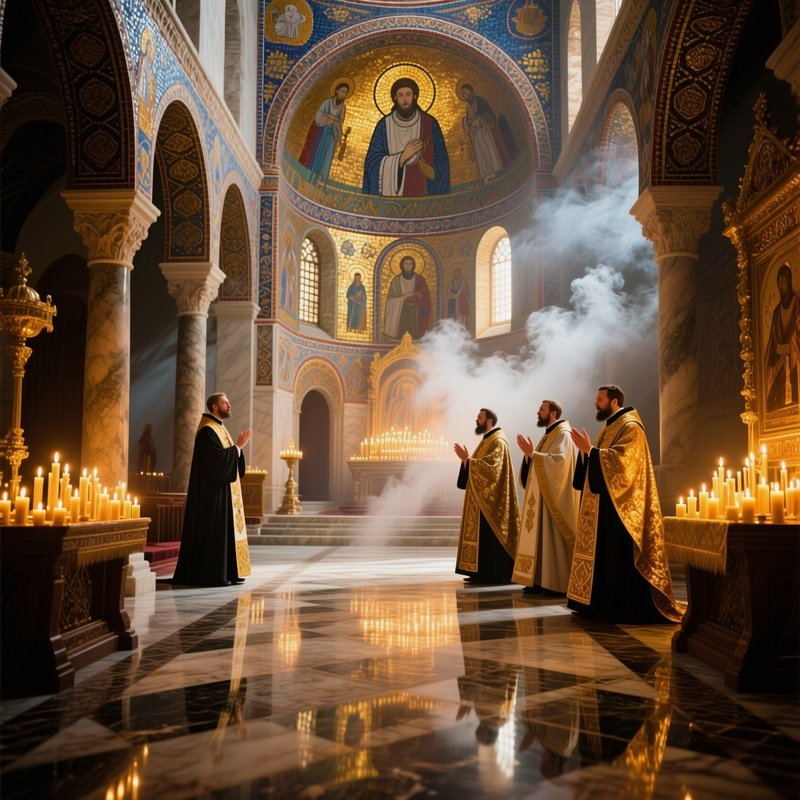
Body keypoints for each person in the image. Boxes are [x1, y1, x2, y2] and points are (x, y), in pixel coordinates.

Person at [567, 385, 682, 623]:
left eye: (599, 399)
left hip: (622, 509)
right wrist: (586, 453)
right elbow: (597, 460)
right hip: (604, 506)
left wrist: (591, 451)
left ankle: (619, 607)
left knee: (617, 556)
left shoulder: (631, 427)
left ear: (615, 401)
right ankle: (597, 603)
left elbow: (625, 464)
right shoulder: (609, 428)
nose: (595, 403)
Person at [172, 393, 252, 587]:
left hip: (223, 492)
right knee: (216, 533)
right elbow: (216, 461)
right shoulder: (207, 430)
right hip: (211, 496)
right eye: (226, 402)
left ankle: (229, 572)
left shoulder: (219, 428)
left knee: (227, 532)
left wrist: (237, 450)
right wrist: (238, 447)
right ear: (215, 407)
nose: (229, 404)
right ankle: (215, 575)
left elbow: (226, 457)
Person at [512, 399, 579, 596]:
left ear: (553, 414)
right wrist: (528, 456)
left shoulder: (563, 435)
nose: (537, 412)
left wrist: (532, 454)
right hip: (540, 498)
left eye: (541, 409)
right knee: (540, 540)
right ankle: (539, 580)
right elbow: (538, 462)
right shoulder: (549, 435)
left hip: (555, 499)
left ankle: (555, 584)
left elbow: (559, 464)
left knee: (552, 540)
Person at [454, 408, 520, 583]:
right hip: (482, 498)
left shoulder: (498, 441)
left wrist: (468, 460)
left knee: (490, 535)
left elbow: (493, 469)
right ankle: (479, 571)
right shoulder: (487, 440)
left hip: (493, 500)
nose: (477, 420)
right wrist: (466, 461)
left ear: (489, 421)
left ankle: (493, 573)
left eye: (480, 417)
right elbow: (479, 465)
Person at [363, 77, 450, 197]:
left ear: (415, 96)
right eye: (400, 95)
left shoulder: (429, 123)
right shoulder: (384, 125)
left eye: (408, 94)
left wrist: (430, 170)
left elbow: (442, 160)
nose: (405, 100)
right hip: (393, 196)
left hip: (424, 190)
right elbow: (372, 163)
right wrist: (401, 158)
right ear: (395, 98)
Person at [458, 83, 514, 184]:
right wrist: (468, 123)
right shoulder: (468, 106)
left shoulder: (480, 101)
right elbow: (470, 120)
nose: (465, 95)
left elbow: (490, 115)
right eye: (463, 93)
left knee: (489, 151)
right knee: (481, 154)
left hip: (486, 133)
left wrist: (480, 120)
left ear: (471, 92)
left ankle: (495, 171)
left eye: (466, 92)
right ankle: (485, 175)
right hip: (476, 135)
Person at [299, 81, 351, 188]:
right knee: (317, 155)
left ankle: (321, 182)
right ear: (337, 91)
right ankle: (311, 179)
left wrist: (337, 131)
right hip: (321, 133)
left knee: (326, 159)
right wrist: (329, 119)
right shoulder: (327, 102)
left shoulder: (342, 108)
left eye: (345, 93)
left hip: (331, 135)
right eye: (342, 91)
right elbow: (318, 116)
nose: (343, 94)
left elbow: (339, 122)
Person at [764, 262, 800, 412]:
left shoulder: (797, 302)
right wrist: (778, 349)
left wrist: (790, 345)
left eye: (784, 280)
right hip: (780, 357)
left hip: (795, 355)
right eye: (779, 281)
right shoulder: (777, 310)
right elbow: (773, 338)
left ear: (789, 281)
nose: (781, 284)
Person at [382, 255, 432, 339]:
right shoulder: (396, 281)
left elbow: (426, 297)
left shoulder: (419, 279)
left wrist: (420, 296)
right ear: (402, 265)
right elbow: (391, 299)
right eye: (406, 264)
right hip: (401, 311)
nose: (408, 266)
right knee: (401, 333)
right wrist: (405, 297)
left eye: (410, 264)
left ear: (414, 266)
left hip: (415, 310)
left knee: (414, 333)